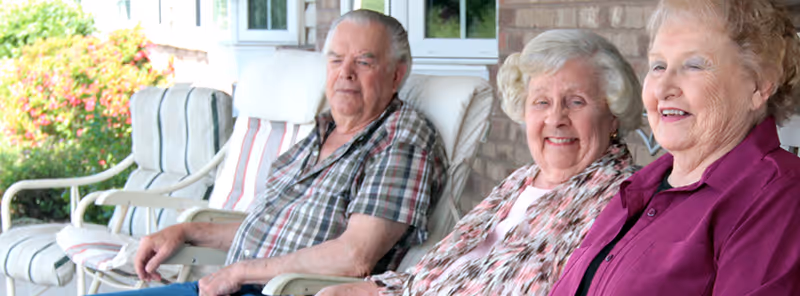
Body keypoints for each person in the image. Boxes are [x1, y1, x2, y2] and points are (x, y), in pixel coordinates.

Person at [93, 10, 447, 296]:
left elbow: (354, 257)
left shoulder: (401, 140)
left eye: (364, 62)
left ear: (397, 75)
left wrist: (239, 272)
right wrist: (185, 231)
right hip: (228, 286)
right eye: (336, 60)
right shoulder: (322, 132)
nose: (346, 74)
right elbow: (270, 231)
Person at [318, 29, 643, 296]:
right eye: (541, 102)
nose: (555, 119)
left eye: (576, 102)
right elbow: (436, 274)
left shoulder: (620, 199)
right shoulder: (522, 180)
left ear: (612, 115)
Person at [548, 1, 800, 295]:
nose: (663, 87)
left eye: (693, 65)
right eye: (658, 66)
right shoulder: (638, 189)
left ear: (758, 85)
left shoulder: (778, 198)